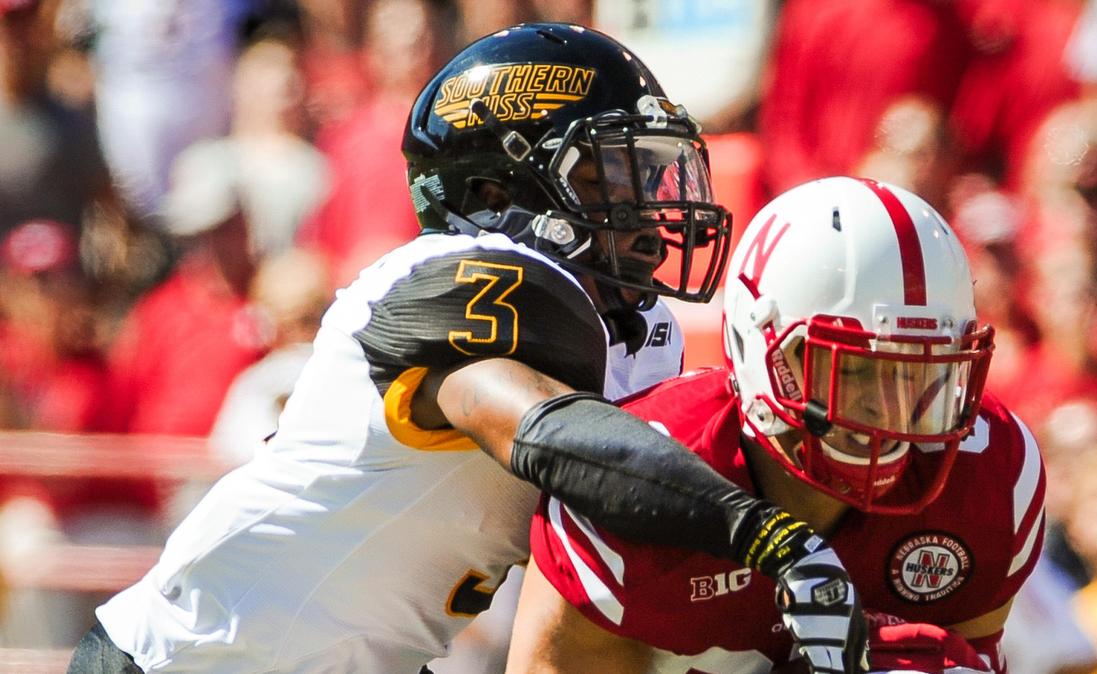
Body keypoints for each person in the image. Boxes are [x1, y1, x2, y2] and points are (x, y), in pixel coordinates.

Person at [67, 24, 868, 674]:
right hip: (189, 659)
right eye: (613, 176)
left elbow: (629, 536)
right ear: (496, 194)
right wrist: (760, 532)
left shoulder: (636, 330)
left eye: (651, 172)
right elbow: (545, 433)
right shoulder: (455, 278)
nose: (648, 204)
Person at [508, 176, 1047, 673]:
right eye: (856, 368)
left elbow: (974, 646)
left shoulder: (991, 475)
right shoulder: (635, 485)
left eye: (916, 372)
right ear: (759, 348)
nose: (890, 409)